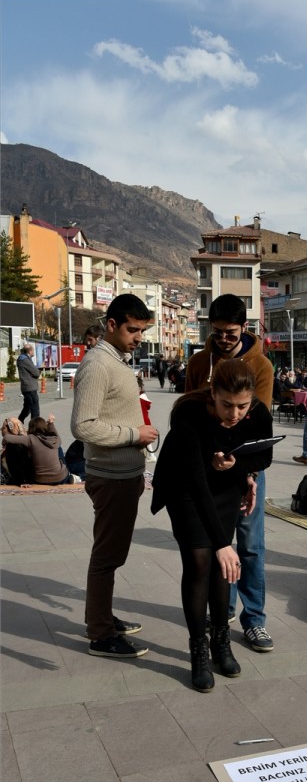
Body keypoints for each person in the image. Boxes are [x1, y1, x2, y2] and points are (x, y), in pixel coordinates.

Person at [152, 360, 273, 691]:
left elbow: (263, 455)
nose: (234, 413)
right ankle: (198, 651)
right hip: (186, 491)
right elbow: (194, 480)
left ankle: (222, 643)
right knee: (200, 561)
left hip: (225, 491)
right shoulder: (189, 413)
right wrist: (222, 544)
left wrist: (243, 471)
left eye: (242, 406)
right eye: (226, 405)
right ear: (213, 394)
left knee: (222, 569)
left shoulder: (257, 412)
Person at [185, 294, 275, 653]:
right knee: (218, 544)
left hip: (247, 465)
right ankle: (224, 613)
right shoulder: (198, 362)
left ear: (245, 328)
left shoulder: (261, 366)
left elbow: (260, 424)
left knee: (250, 547)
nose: (223, 338)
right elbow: (191, 411)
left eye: (231, 332)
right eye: (217, 332)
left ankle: (255, 620)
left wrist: (247, 470)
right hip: (210, 467)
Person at [71, 294, 159, 658]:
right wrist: (132, 435)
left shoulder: (116, 360)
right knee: (107, 556)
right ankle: (101, 634)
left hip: (124, 473)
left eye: (142, 330)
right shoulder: (98, 364)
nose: (139, 337)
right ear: (111, 325)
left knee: (111, 554)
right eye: (132, 330)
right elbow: (82, 426)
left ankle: (102, 616)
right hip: (110, 476)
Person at [2, 413, 78, 485]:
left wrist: (21, 433)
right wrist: (51, 424)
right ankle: (73, 475)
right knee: (58, 449)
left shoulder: (31, 439)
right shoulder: (55, 439)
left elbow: (7, 437)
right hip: (60, 479)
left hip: (40, 480)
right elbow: (55, 435)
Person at [1, 417, 33, 485]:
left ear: (11, 429)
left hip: (17, 480)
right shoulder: (24, 441)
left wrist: (22, 482)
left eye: (3, 428)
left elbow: (16, 466)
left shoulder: (13, 446)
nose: (1, 430)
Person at [17, 344, 41, 424]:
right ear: (30, 351)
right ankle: (35, 428)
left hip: (27, 387)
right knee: (35, 409)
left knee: (27, 408)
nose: (33, 352)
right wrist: (36, 373)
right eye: (33, 350)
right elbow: (36, 372)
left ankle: (19, 422)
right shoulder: (25, 360)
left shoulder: (23, 358)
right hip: (30, 387)